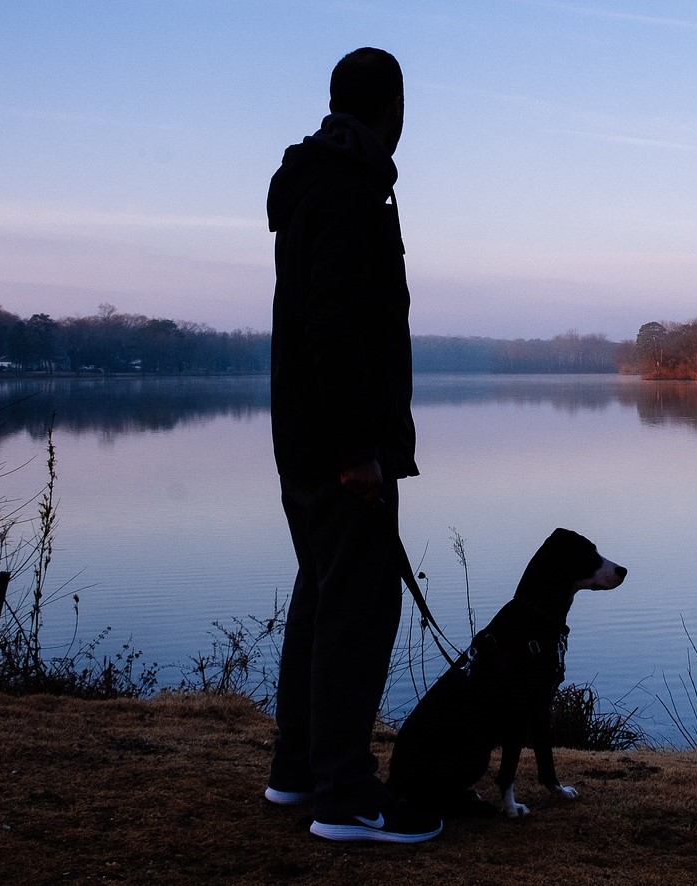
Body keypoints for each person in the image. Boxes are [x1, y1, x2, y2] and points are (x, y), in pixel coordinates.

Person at [262, 47, 440, 844]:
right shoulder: (347, 190)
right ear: (392, 107)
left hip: (309, 435)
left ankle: (297, 771)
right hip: (338, 444)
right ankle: (345, 798)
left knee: (325, 590)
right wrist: (359, 448)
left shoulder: (321, 183)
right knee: (360, 606)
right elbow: (334, 328)